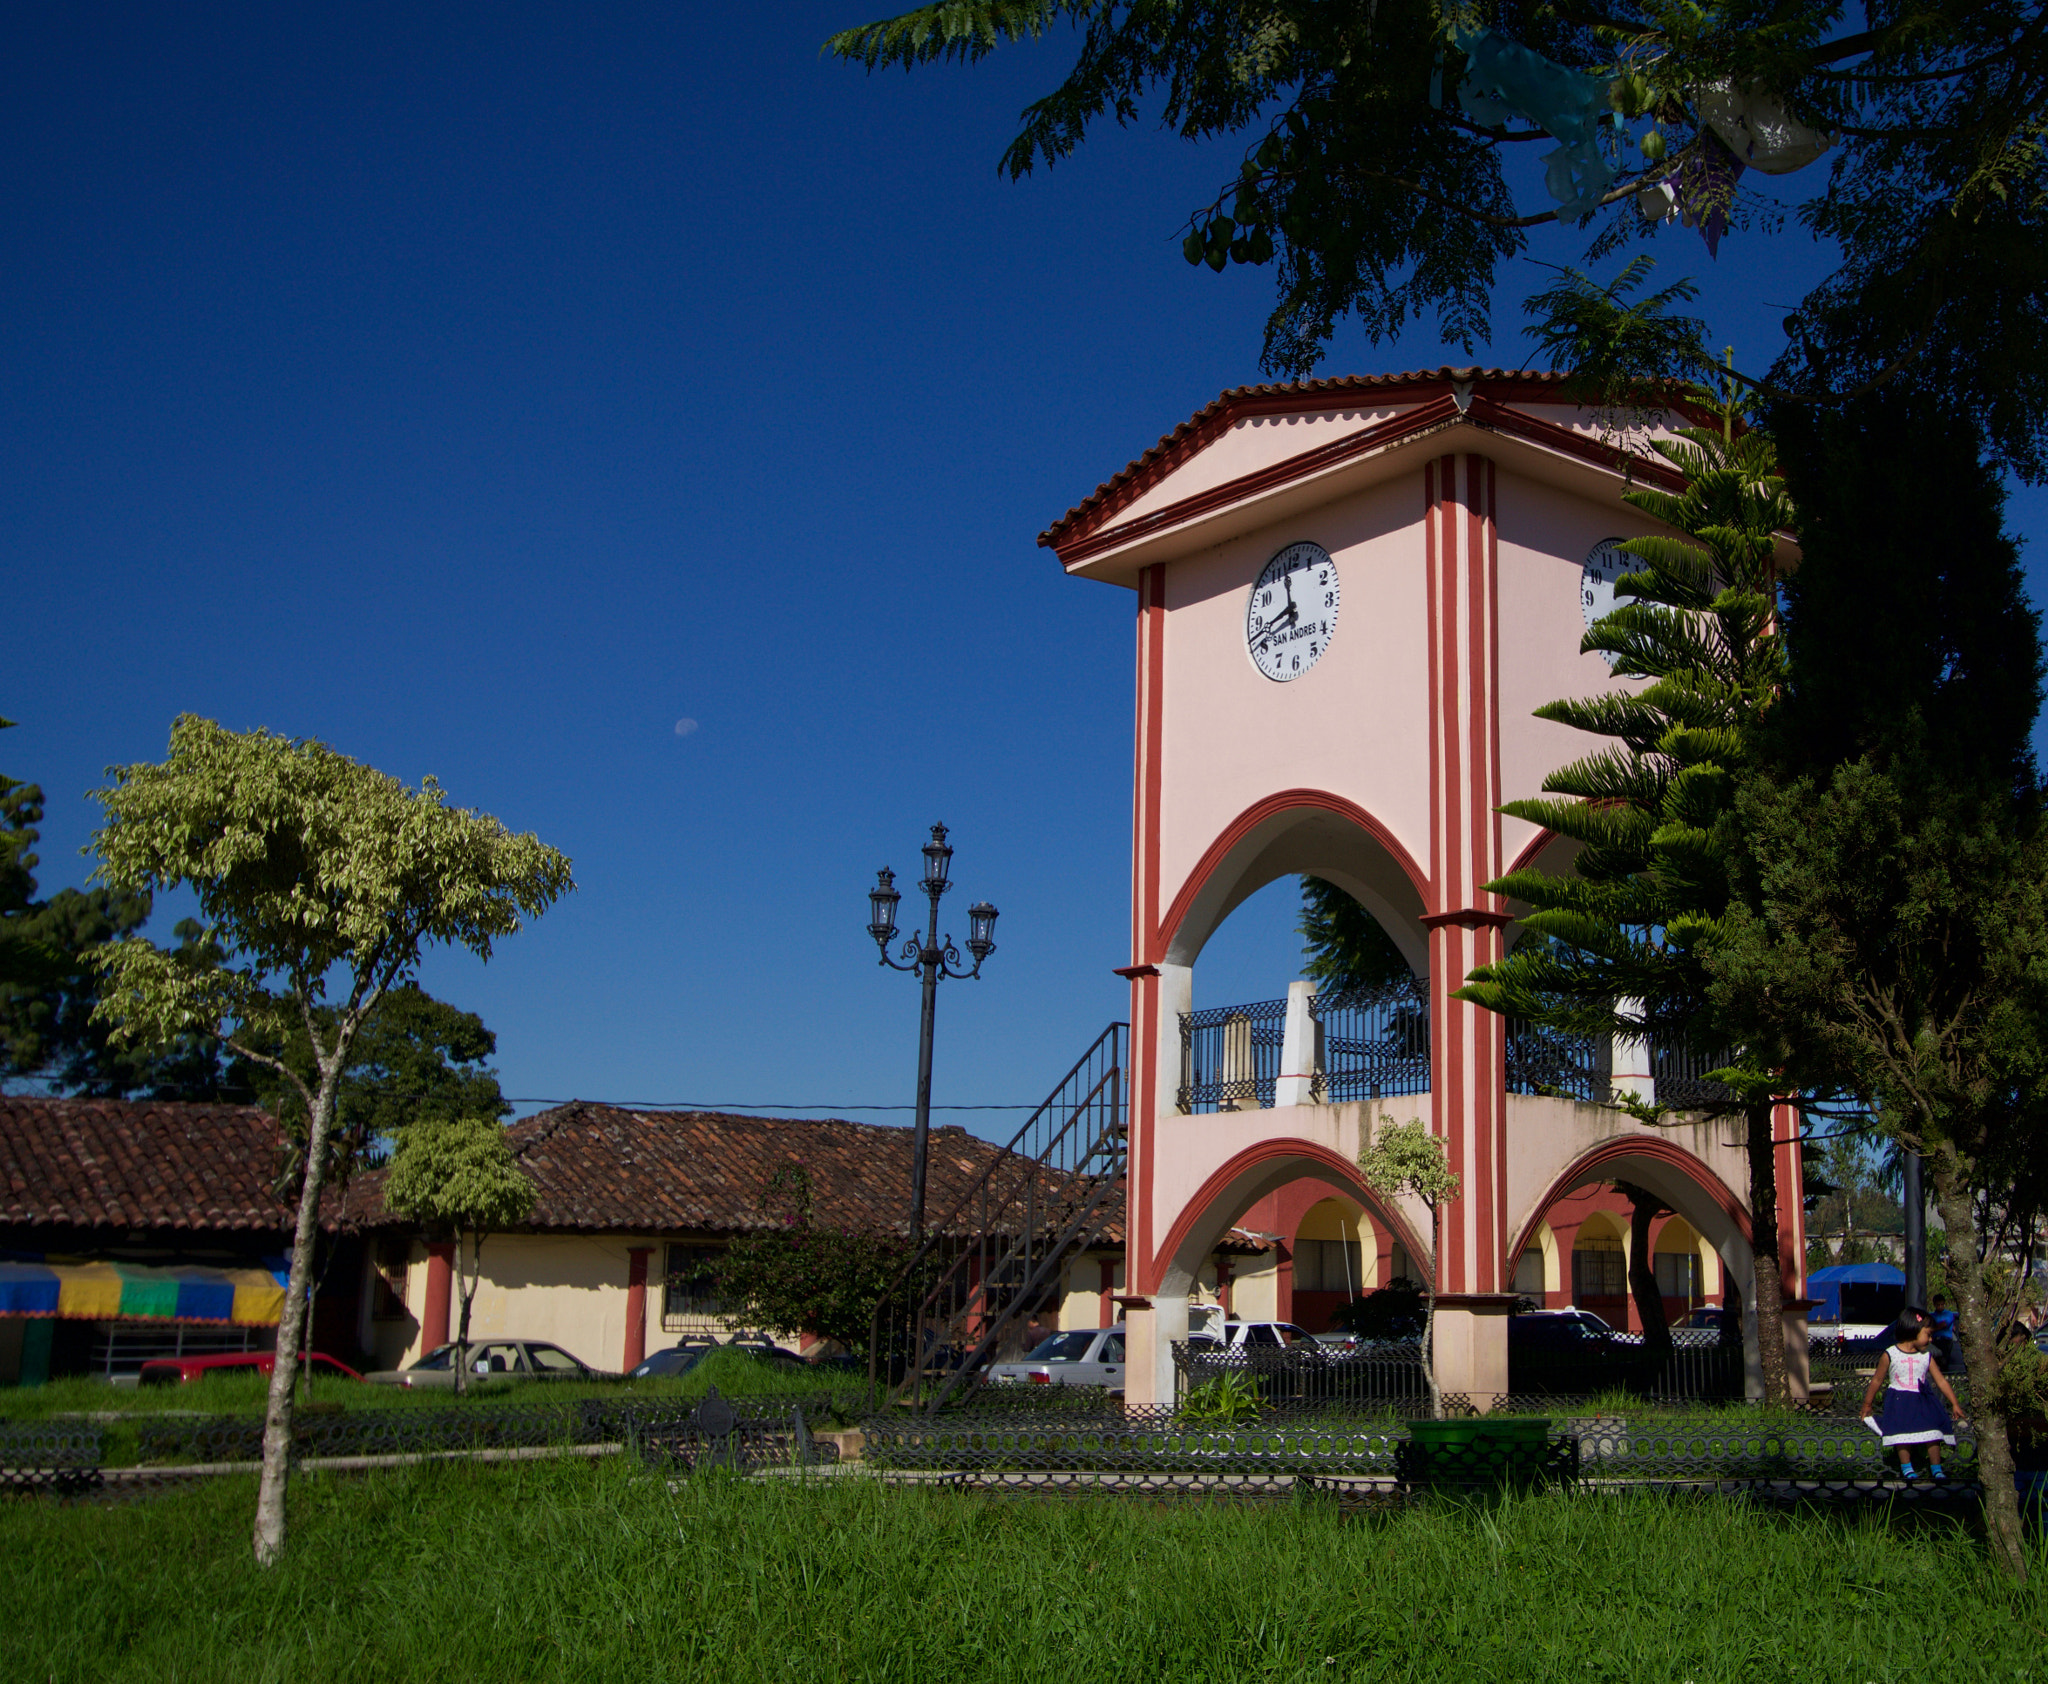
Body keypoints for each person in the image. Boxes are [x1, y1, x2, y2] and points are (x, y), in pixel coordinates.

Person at [1860, 1308, 1968, 1480]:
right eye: (1928, 1334)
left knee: (1933, 1430)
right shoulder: (1890, 1354)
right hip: (1900, 1400)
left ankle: (1936, 1467)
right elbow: (1877, 1381)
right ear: (1914, 1330)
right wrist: (1867, 1404)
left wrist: (1954, 1403)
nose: (1931, 1339)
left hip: (1923, 1400)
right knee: (1902, 1433)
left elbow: (1940, 1381)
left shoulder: (1926, 1356)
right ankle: (1906, 1466)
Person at [1931, 1294, 1961, 1369]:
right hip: (1935, 1341)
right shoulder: (1932, 1315)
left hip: (1945, 1340)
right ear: (1934, 1305)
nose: (1940, 1307)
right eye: (1938, 1305)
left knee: (1944, 1360)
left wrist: (1932, 1329)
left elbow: (1944, 1324)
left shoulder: (1949, 1314)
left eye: (1942, 1304)